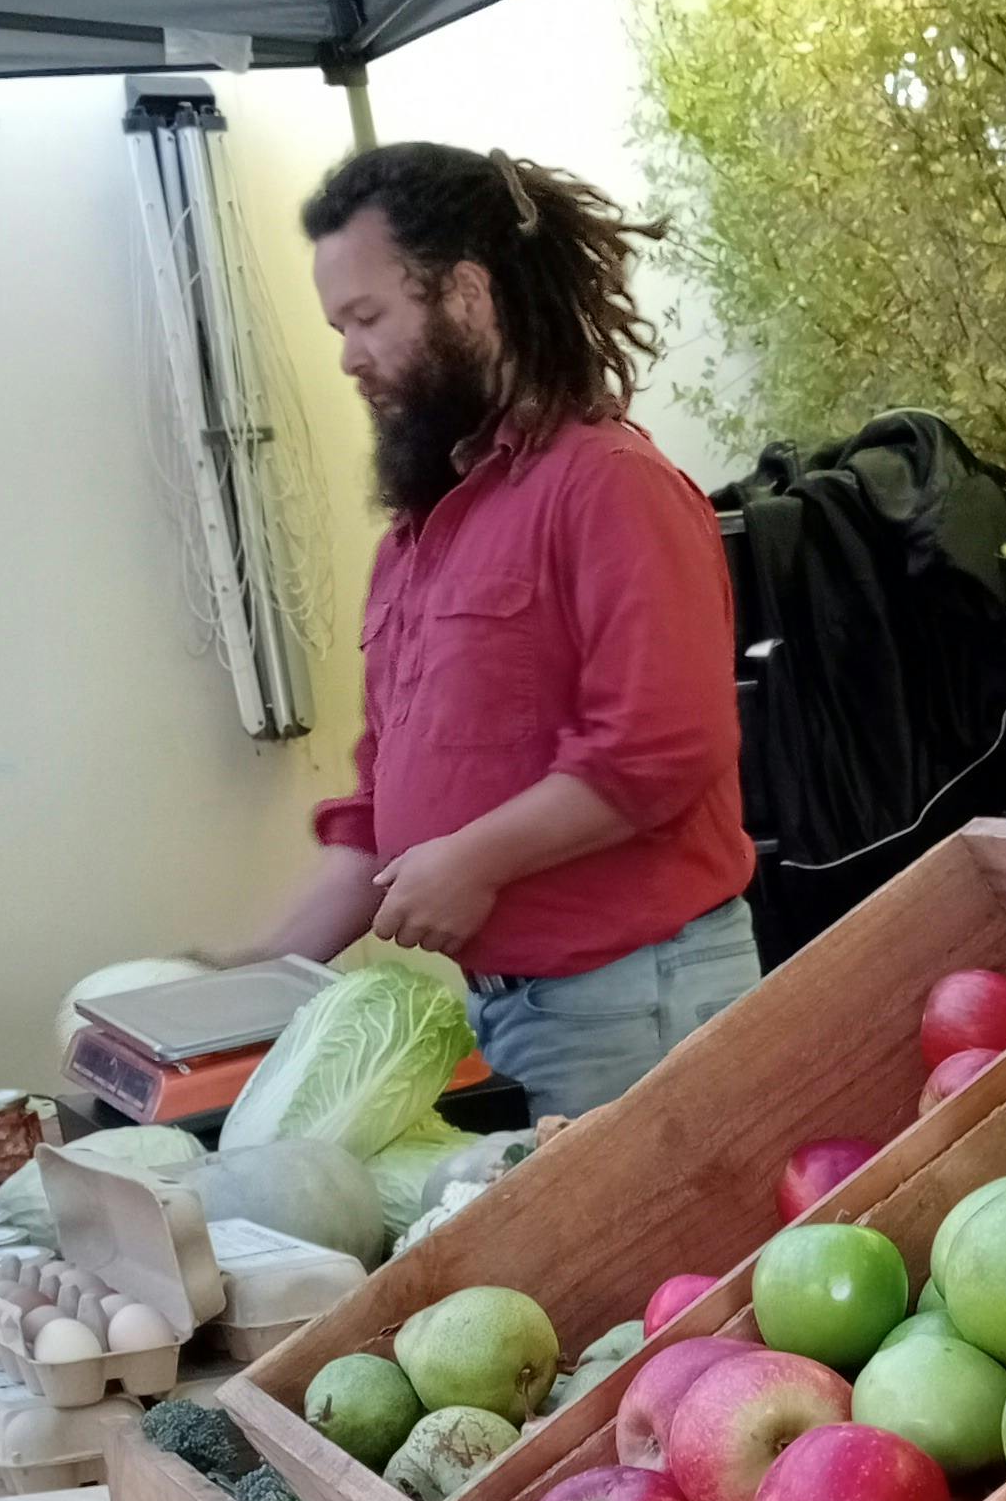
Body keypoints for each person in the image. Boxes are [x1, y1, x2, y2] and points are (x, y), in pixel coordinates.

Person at [219, 143, 757, 1118]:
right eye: (339, 328)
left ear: (466, 295)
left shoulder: (609, 487)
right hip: (517, 1012)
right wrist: (244, 981)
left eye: (368, 318)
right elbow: (379, 817)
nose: (348, 358)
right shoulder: (417, 537)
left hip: (635, 1003)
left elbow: (662, 746)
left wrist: (475, 861)